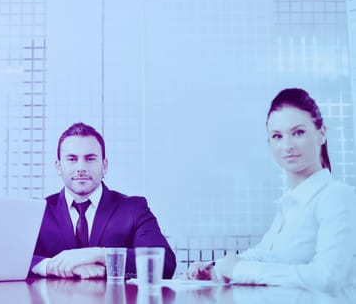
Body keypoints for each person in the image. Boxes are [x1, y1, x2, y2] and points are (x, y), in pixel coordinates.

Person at [185, 88, 356, 292]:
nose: (288, 145)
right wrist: (215, 269)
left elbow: (328, 278)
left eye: (298, 132)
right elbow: (262, 255)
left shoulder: (336, 196)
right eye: (277, 136)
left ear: (322, 134)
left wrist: (239, 270)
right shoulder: (290, 204)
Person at [30, 122, 176, 279]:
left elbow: (165, 263)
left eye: (90, 158)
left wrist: (100, 255)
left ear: (104, 166)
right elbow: (9, 259)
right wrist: (51, 266)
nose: (81, 167)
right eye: (72, 159)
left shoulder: (133, 208)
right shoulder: (38, 211)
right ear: (58, 167)